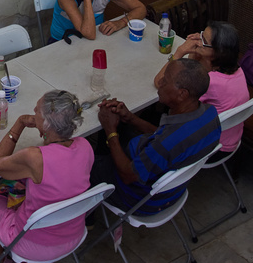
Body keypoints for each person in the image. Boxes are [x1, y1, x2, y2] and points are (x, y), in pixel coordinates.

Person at [0, 90, 93, 263]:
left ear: (46, 123)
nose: (33, 111)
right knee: (26, 185)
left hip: (30, 243)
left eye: (37, 110)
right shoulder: (85, 146)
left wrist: (19, 124)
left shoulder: (34, 157)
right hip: (74, 235)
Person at [92, 58, 221, 214]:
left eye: (165, 81)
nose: (159, 82)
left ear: (182, 94)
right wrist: (131, 118)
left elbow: (128, 174)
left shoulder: (165, 144)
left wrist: (110, 130)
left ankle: (87, 217)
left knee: (82, 163)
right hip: (172, 191)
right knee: (121, 127)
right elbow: (163, 137)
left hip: (139, 199)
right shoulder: (210, 115)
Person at [155, 21, 248, 154]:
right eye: (202, 34)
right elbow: (192, 69)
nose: (198, 40)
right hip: (230, 138)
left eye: (203, 40)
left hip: (213, 145)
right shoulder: (237, 69)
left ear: (217, 53)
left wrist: (180, 51)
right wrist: (198, 51)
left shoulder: (211, 82)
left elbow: (159, 82)